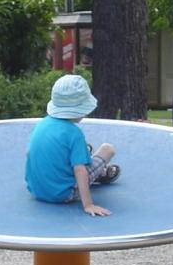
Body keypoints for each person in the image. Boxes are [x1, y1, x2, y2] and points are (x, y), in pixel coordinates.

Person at [25, 74, 120, 217]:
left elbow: (29, 154)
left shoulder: (41, 125)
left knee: (77, 150)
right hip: (64, 194)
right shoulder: (74, 134)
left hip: (37, 191)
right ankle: (101, 173)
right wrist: (88, 204)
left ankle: (92, 165)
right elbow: (80, 171)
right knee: (107, 149)